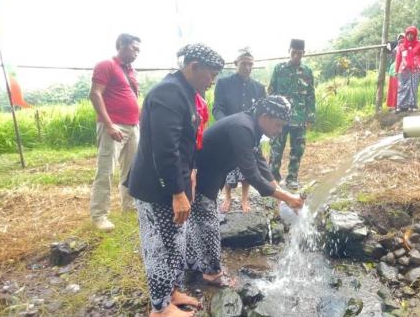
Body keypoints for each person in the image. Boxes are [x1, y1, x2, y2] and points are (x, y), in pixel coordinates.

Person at [127, 43, 224, 317]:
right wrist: (177, 192)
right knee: (160, 246)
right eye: (210, 74)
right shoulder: (169, 93)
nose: (212, 81)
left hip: (172, 185)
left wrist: (189, 176)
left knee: (174, 244)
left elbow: (185, 144)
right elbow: (165, 149)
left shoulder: (183, 91)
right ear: (193, 67)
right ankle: (160, 308)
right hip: (157, 189)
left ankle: (170, 292)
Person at [184, 96, 305, 286]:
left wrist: (281, 194)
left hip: (209, 173)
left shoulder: (251, 126)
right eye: (278, 125)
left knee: (199, 222)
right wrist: (287, 198)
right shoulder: (242, 127)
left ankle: (193, 265)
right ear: (265, 117)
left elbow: (260, 162)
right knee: (208, 224)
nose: (280, 130)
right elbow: (253, 175)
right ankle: (212, 273)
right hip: (200, 175)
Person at [89, 33, 141, 232]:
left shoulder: (130, 71)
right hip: (113, 125)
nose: (136, 53)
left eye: (138, 50)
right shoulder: (106, 65)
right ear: (121, 45)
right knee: (106, 170)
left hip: (133, 126)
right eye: (134, 48)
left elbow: (132, 99)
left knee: (131, 170)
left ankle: (129, 205)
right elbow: (95, 93)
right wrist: (109, 125)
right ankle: (99, 215)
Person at [213, 48, 266, 213]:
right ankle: (228, 196)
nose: (247, 67)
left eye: (251, 64)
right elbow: (217, 108)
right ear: (236, 64)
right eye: (244, 64)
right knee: (228, 165)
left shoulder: (258, 87)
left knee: (247, 165)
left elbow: (262, 113)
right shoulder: (223, 84)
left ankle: (244, 198)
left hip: (249, 133)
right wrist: (225, 124)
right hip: (228, 132)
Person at [268, 39, 315, 190]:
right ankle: (272, 177)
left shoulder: (307, 71)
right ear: (289, 51)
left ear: (303, 53)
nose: (296, 56)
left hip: (299, 118)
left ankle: (292, 178)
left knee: (297, 149)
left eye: (299, 53)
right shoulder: (279, 69)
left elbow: (310, 95)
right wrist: (272, 114)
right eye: (293, 52)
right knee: (276, 148)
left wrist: (310, 117)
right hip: (280, 118)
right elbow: (271, 91)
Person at [395, 26, 420, 112]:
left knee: (413, 87)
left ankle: (412, 105)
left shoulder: (419, 44)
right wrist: (396, 70)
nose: (410, 36)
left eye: (412, 34)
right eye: (408, 34)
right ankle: (401, 106)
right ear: (406, 35)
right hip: (404, 70)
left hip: (415, 69)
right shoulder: (401, 46)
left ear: (415, 35)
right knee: (402, 87)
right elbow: (398, 59)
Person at [386, 34, 404, 109]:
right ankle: (394, 104)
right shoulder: (395, 48)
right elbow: (388, 50)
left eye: (403, 38)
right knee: (394, 88)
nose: (401, 40)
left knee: (401, 87)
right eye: (400, 39)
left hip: (403, 68)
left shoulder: (407, 47)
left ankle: (401, 104)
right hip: (394, 69)